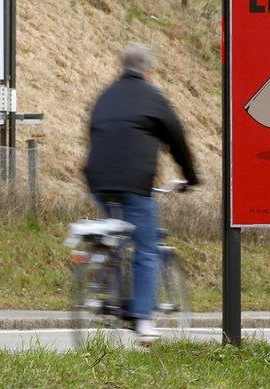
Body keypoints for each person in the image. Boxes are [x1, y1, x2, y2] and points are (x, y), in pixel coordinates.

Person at [84, 43, 198, 341]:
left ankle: (111, 295)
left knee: (117, 236)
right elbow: (177, 139)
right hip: (134, 183)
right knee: (146, 247)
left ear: (122, 67)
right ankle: (144, 319)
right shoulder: (153, 97)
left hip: (98, 181)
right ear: (149, 71)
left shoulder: (105, 96)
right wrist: (190, 176)